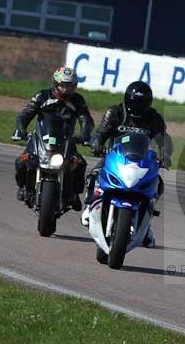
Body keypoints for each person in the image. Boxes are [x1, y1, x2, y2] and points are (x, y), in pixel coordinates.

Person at [81, 81, 174, 247]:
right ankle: (89, 208)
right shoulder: (115, 112)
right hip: (115, 157)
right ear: (127, 100)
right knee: (93, 175)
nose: (138, 106)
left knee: (157, 184)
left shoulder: (154, 118)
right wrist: (96, 144)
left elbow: (163, 139)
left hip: (142, 161)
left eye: (143, 103)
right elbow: (100, 133)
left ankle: (147, 224)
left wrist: (165, 155)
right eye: (135, 102)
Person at [12, 66, 94, 211]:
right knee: (21, 161)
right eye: (63, 86)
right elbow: (26, 113)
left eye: (70, 87)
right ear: (55, 84)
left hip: (66, 141)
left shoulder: (78, 100)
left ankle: (74, 194)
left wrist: (85, 136)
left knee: (80, 164)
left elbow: (86, 119)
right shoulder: (42, 96)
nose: (66, 90)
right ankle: (23, 187)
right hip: (41, 138)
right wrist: (20, 130)